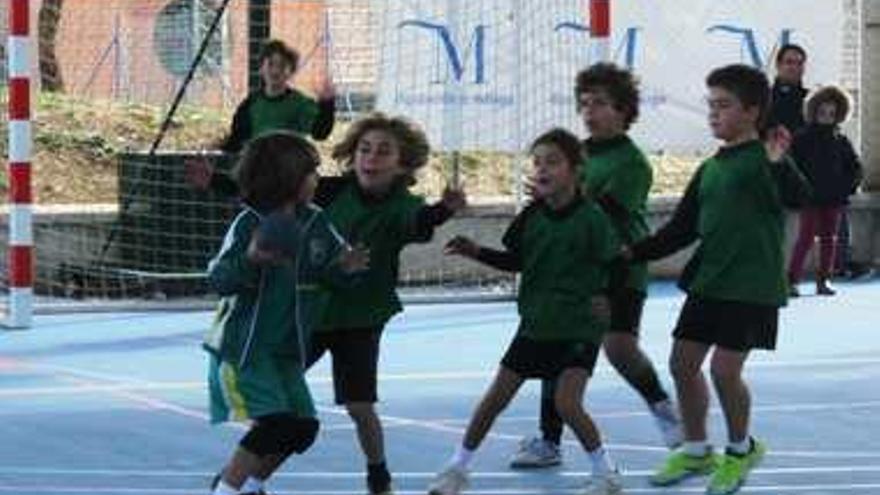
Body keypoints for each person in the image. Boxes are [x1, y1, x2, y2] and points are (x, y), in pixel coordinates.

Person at [625, 65, 810, 495]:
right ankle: (695, 450)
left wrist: (780, 165)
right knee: (682, 364)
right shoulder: (710, 169)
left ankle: (742, 449)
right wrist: (631, 253)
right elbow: (680, 229)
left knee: (726, 370)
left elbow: (801, 197)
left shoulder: (769, 158)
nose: (713, 114)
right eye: (711, 105)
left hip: (753, 286)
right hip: (710, 283)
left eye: (724, 106)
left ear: (752, 111)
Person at [427, 128, 623, 495]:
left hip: (578, 326)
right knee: (494, 400)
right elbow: (517, 260)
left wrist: (611, 299)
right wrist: (477, 252)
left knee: (567, 403)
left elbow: (618, 264)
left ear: (576, 169)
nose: (542, 168)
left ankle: (606, 473)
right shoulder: (532, 217)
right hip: (536, 323)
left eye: (552, 161)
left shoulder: (592, 219)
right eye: (537, 162)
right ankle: (456, 469)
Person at [510, 63, 681, 470]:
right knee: (557, 346)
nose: (590, 111)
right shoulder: (574, 154)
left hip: (620, 265)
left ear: (623, 109)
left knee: (620, 349)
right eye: (584, 103)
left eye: (600, 103)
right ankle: (549, 442)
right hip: (573, 271)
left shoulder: (632, 163)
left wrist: (558, 192)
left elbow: (600, 211)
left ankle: (663, 408)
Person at [203, 131, 368, 495]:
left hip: (286, 352)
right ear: (286, 177)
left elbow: (331, 273)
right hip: (245, 350)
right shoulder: (249, 224)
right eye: (310, 172)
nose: (316, 179)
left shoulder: (316, 222)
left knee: (303, 429)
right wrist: (251, 261)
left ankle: (251, 486)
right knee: (275, 425)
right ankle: (224, 490)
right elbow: (219, 278)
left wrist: (348, 270)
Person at [186, 38, 336, 196]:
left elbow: (320, 133)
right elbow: (237, 139)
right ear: (261, 68)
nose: (276, 70)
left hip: (291, 177)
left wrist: (327, 105)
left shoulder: (300, 104)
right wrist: (214, 148)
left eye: (282, 65)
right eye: (271, 64)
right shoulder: (251, 104)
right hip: (260, 175)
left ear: (290, 71)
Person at [787, 85, 863, 296]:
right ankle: (791, 280)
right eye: (822, 113)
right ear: (813, 112)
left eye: (832, 113)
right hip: (809, 197)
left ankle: (824, 279)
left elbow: (855, 166)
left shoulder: (841, 140)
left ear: (839, 114)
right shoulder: (801, 138)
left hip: (834, 198)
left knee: (831, 238)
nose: (827, 117)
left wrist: (847, 186)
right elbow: (792, 167)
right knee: (806, 237)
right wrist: (799, 189)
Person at [767, 43, 808, 134]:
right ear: (778, 65)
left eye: (800, 63)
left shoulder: (811, 99)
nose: (795, 67)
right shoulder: (764, 97)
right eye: (789, 62)